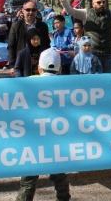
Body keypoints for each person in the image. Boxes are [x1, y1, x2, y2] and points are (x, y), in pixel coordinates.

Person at [16, 48, 71, 201]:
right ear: (60, 69)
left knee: (27, 181)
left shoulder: (26, 84)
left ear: (38, 68)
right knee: (60, 178)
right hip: (56, 142)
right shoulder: (68, 85)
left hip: (32, 142)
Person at [7, 1, 51, 77]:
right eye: (28, 10)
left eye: (33, 10)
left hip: (39, 65)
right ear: (23, 11)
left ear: (37, 11)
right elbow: (11, 46)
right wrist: (11, 66)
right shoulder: (16, 26)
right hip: (21, 65)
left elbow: (46, 45)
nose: (31, 12)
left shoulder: (43, 26)